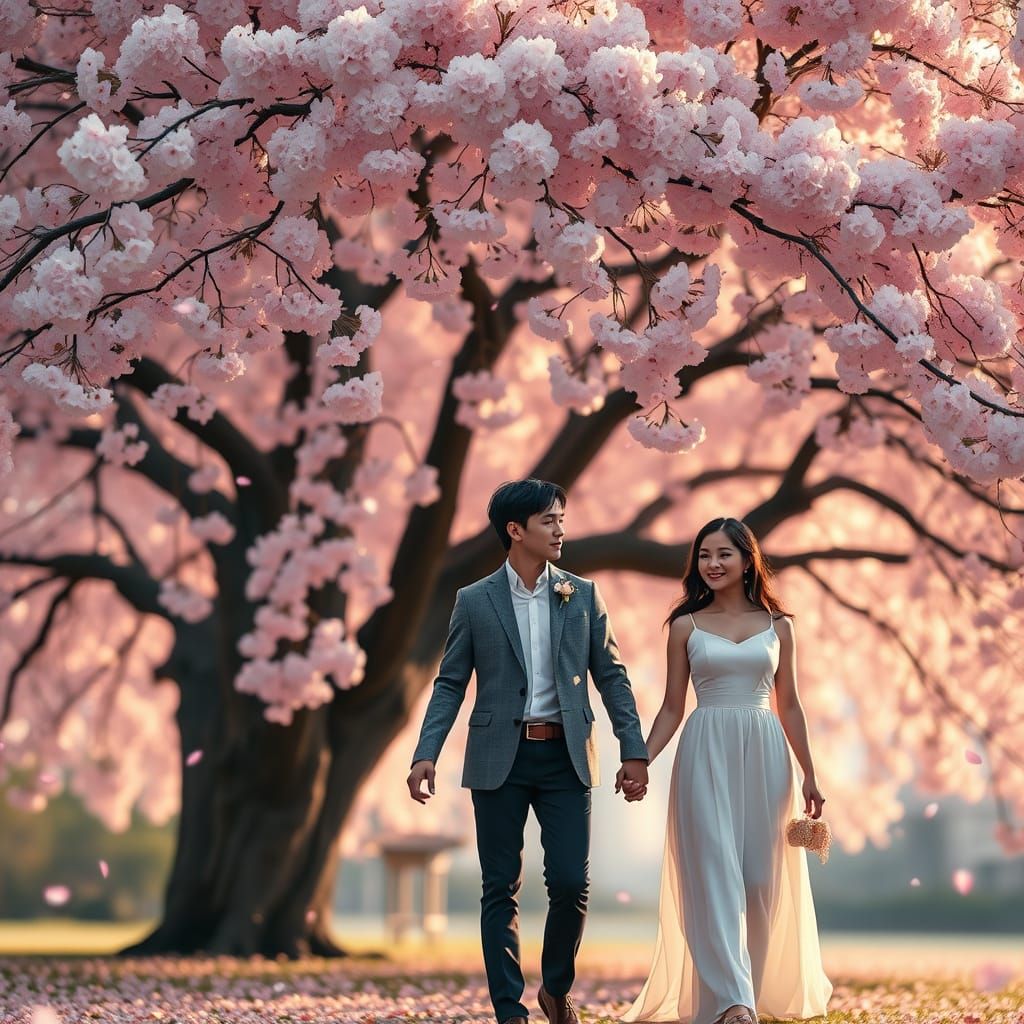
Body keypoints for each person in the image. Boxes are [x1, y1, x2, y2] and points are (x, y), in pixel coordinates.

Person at [407, 478, 649, 1024]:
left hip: (566, 757)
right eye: (549, 520)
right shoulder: (473, 600)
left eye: (562, 518)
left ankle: (555, 988)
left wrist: (632, 749)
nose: (561, 528)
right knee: (501, 886)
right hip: (499, 759)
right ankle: (508, 1010)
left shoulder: (582, 595)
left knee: (569, 881)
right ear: (516, 531)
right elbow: (450, 683)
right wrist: (427, 752)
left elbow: (612, 676)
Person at [623, 517, 832, 1024]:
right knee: (713, 875)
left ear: (747, 561)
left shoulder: (780, 626)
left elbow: (791, 706)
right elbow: (673, 706)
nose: (712, 564)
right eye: (703, 555)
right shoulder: (684, 627)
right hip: (705, 751)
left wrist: (810, 772)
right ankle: (733, 1004)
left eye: (723, 555)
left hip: (766, 754)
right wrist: (640, 760)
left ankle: (750, 994)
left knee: (762, 882)